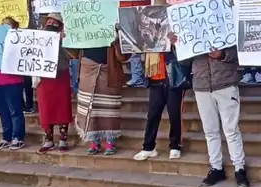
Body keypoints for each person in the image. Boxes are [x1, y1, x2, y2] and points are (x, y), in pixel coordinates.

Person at [171, 0, 250, 187]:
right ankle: (216, 168)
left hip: (225, 82)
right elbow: (184, 61)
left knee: (231, 129)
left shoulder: (225, 21)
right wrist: (176, 44)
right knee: (210, 130)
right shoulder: (188, 26)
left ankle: (239, 168)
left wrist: (222, 55)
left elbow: (238, 52)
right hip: (202, 85)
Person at [83, 0, 160, 87]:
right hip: (124, 13)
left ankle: (140, 76)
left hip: (140, 12)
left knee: (138, 46)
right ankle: (136, 76)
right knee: (129, 46)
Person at [74, 26, 131, 155]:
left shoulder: (115, 28)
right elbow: (74, 53)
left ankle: (110, 141)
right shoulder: (83, 25)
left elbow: (124, 57)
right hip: (87, 71)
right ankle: (94, 141)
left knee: (109, 108)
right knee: (90, 109)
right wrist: (68, 38)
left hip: (109, 72)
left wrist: (117, 40)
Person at [133, 47, 186, 161]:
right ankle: (148, 147)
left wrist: (172, 44)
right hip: (155, 78)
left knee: (174, 114)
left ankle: (175, 146)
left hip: (173, 77)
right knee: (152, 115)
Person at [0, 17, 28, 152]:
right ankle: (6, 137)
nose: (5, 27)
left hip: (13, 81)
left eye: (8, 25)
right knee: (3, 111)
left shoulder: (19, 41)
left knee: (15, 110)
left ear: (14, 27)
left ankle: (18, 137)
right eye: (3, 25)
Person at [35, 15, 74, 153]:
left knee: (63, 106)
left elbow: (72, 56)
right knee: (46, 108)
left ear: (59, 24)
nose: (51, 22)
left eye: (54, 21)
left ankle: (63, 139)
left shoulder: (65, 38)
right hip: (44, 77)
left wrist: (65, 41)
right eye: (49, 20)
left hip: (61, 75)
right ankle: (48, 140)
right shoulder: (37, 37)